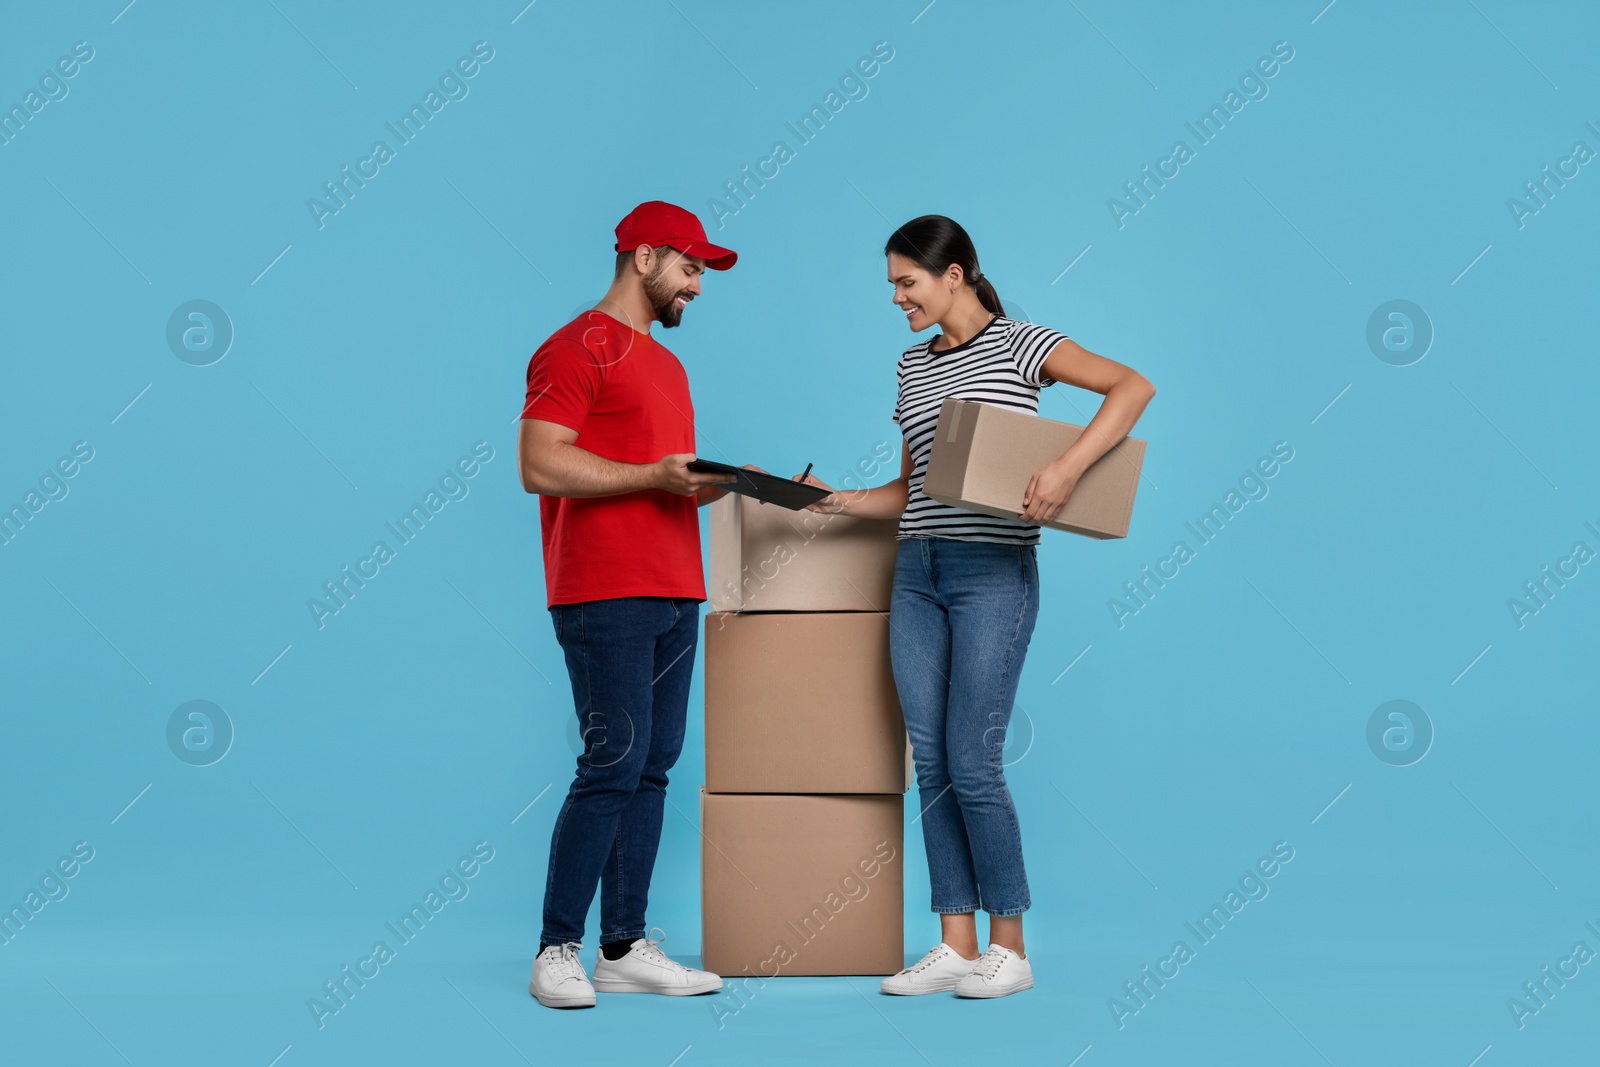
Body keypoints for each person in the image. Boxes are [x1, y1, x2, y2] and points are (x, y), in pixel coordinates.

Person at [799, 215, 1156, 999]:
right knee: (930, 757)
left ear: (954, 274)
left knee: (973, 759)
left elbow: (1133, 386)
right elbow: (912, 487)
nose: (898, 299)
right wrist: (836, 500)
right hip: (917, 571)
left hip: (994, 570)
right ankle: (955, 940)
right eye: (893, 286)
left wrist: (1064, 469)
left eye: (908, 282)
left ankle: (1011, 946)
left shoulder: (1024, 345)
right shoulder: (910, 366)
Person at [518, 200, 741, 1009]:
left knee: (654, 767)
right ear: (643, 258)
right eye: (691, 268)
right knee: (611, 761)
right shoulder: (576, 348)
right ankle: (556, 948)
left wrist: (734, 486)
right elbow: (540, 464)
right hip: (602, 589)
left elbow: (662, 478)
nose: (698, 286)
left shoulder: (668, 365)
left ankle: (622, 943)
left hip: (677, 586)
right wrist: (654, 476)